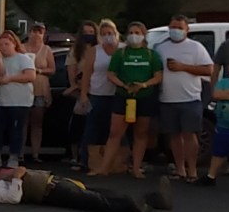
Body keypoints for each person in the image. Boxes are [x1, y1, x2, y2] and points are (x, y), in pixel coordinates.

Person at [0, 165, 172, 212]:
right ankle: (137, 209)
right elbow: (14, 197)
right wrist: (17, 176)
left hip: (53, 183)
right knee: (96, 200)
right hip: (48, 192)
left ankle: (152, 199)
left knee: (102, 193)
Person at [89, 22, 162, 179]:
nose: (134, 35)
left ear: (144, 34)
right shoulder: (121, 54)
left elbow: (158, 76)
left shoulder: (151, 55)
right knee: (115, 133)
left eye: (137, 32)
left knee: (141, 133)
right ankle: (104, 168)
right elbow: (111, 73)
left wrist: (143, 84)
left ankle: (136, 168)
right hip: (123, 96)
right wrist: (123, 85)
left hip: (144, 97)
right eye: (131, 32)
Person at [155, 15, 214, 182]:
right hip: (167, 99)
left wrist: (183, 67)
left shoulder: (196, 48)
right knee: (173, 136)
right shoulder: (161, 48)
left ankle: (192, 170)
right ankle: (180, 169)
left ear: (187, 30)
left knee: (190, 135)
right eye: (173, 27)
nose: (176, 31)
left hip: (190, 98)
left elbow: (208, 70)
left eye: (180, 28)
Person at [0, 31, 35, 168]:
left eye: (7, 44)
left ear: (14, 44)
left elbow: (30, 76)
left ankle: (14, 157)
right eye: (1, 44)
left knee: (16, 129)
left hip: (20, 101)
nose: (4, 47)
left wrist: (10, 78)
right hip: (2, 100)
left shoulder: (23, 58)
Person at [79, 20, 121, 173]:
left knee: (116, 131)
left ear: (116, 34)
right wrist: (84, 94)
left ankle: (117, 161)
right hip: (97, 94)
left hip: (118, 95)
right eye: (103, 34)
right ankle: (87, 160)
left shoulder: (122, 49)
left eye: (110, 33)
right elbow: (87, 74)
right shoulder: (95, 51)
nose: (107, 37)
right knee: (92, 129)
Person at [65, 21, 98, 168]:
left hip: (97, 91)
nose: (88, 35)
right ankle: (75, 156)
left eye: (92, 32)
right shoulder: (75, 52)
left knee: (93, 127)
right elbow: (72, 75)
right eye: (86, 32)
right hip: (80, 92)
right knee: (78, 126)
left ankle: (93, 157)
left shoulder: (99, 50)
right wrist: (77, 86)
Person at [23, 22, 56, 163]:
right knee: (23, 123)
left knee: (37, 123)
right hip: (24, 89)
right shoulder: (22, 48)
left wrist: (39, 70)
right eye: (34, 31)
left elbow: (52, 69)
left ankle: (35, 154)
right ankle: (19, 153)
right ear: (29, 32)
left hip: (40, 89)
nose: (37, 35)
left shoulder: (46, 49)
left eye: (40, 32)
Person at [198, 61, 229, 185]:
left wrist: (227, 94)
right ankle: (211, 176)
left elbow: (222, 95)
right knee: (218, 151)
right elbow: (216, 94)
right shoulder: (223, 82)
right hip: (224, 124)